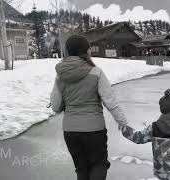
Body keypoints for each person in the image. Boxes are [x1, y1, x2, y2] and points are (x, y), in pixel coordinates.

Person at [50, 35, 128, 180]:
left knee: (81, 169)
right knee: (99, 165)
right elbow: (110, 101)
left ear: (67, 51)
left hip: (70, 131)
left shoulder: (60, 76)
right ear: (86, 51)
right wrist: (123, 123)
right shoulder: (96, 72)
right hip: (94, 130)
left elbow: (55, 106)